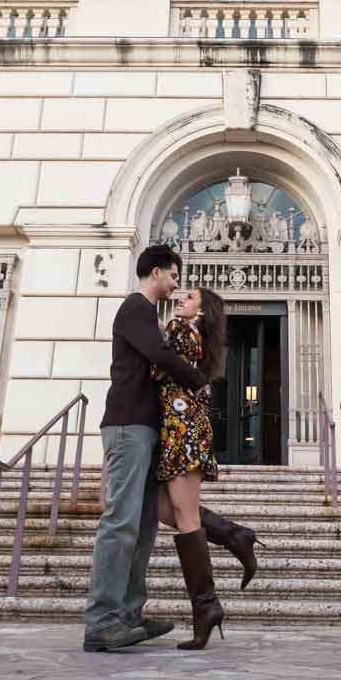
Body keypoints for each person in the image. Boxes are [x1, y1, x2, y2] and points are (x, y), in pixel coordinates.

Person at [84, 243, 204, 652]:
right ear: (156, 272)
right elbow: (158, 355)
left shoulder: (149, 314)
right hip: (127, 426)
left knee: (145, 527)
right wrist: (197, 377)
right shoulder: (136, 308)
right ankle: (102, 621)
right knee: (120, 523)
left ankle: (130, 616)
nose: (175, 284)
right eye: (173, 276)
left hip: (146, 429)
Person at [151, 285, 233, 649]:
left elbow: (155, 369)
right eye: (181, 295)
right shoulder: (198, 337)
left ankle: (206, 607)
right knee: (166, 509)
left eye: (190, 298)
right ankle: (235, 536)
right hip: (185, 428)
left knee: (184, 517)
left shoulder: (178, 329)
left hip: (182, 429)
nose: (181, 299)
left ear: (200, 311)